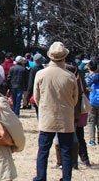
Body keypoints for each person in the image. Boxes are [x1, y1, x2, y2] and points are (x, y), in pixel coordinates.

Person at [32, 41, 78, 181]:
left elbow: (37, 97)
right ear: (64, 58)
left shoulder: (40, 74)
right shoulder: (70, 76)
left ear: (50, 57)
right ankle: (66, 178)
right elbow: (74, 99)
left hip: (47, 116)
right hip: (65, 117)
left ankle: (41, 177)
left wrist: (45, 107)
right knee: (66, 151)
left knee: (43, 151)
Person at [26, 53, 45, 118]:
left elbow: (31, 84)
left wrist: (28, 96)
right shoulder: (44, 69)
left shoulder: (33, 70)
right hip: (44, 92)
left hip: (36, 92)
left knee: (37, 109)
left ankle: (40, 123)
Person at [86, 59, 99, 146]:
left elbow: (85, 88)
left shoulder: (88, 78)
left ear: (89, 68)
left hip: (92, 101)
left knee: (91, 122)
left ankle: (92, 140)